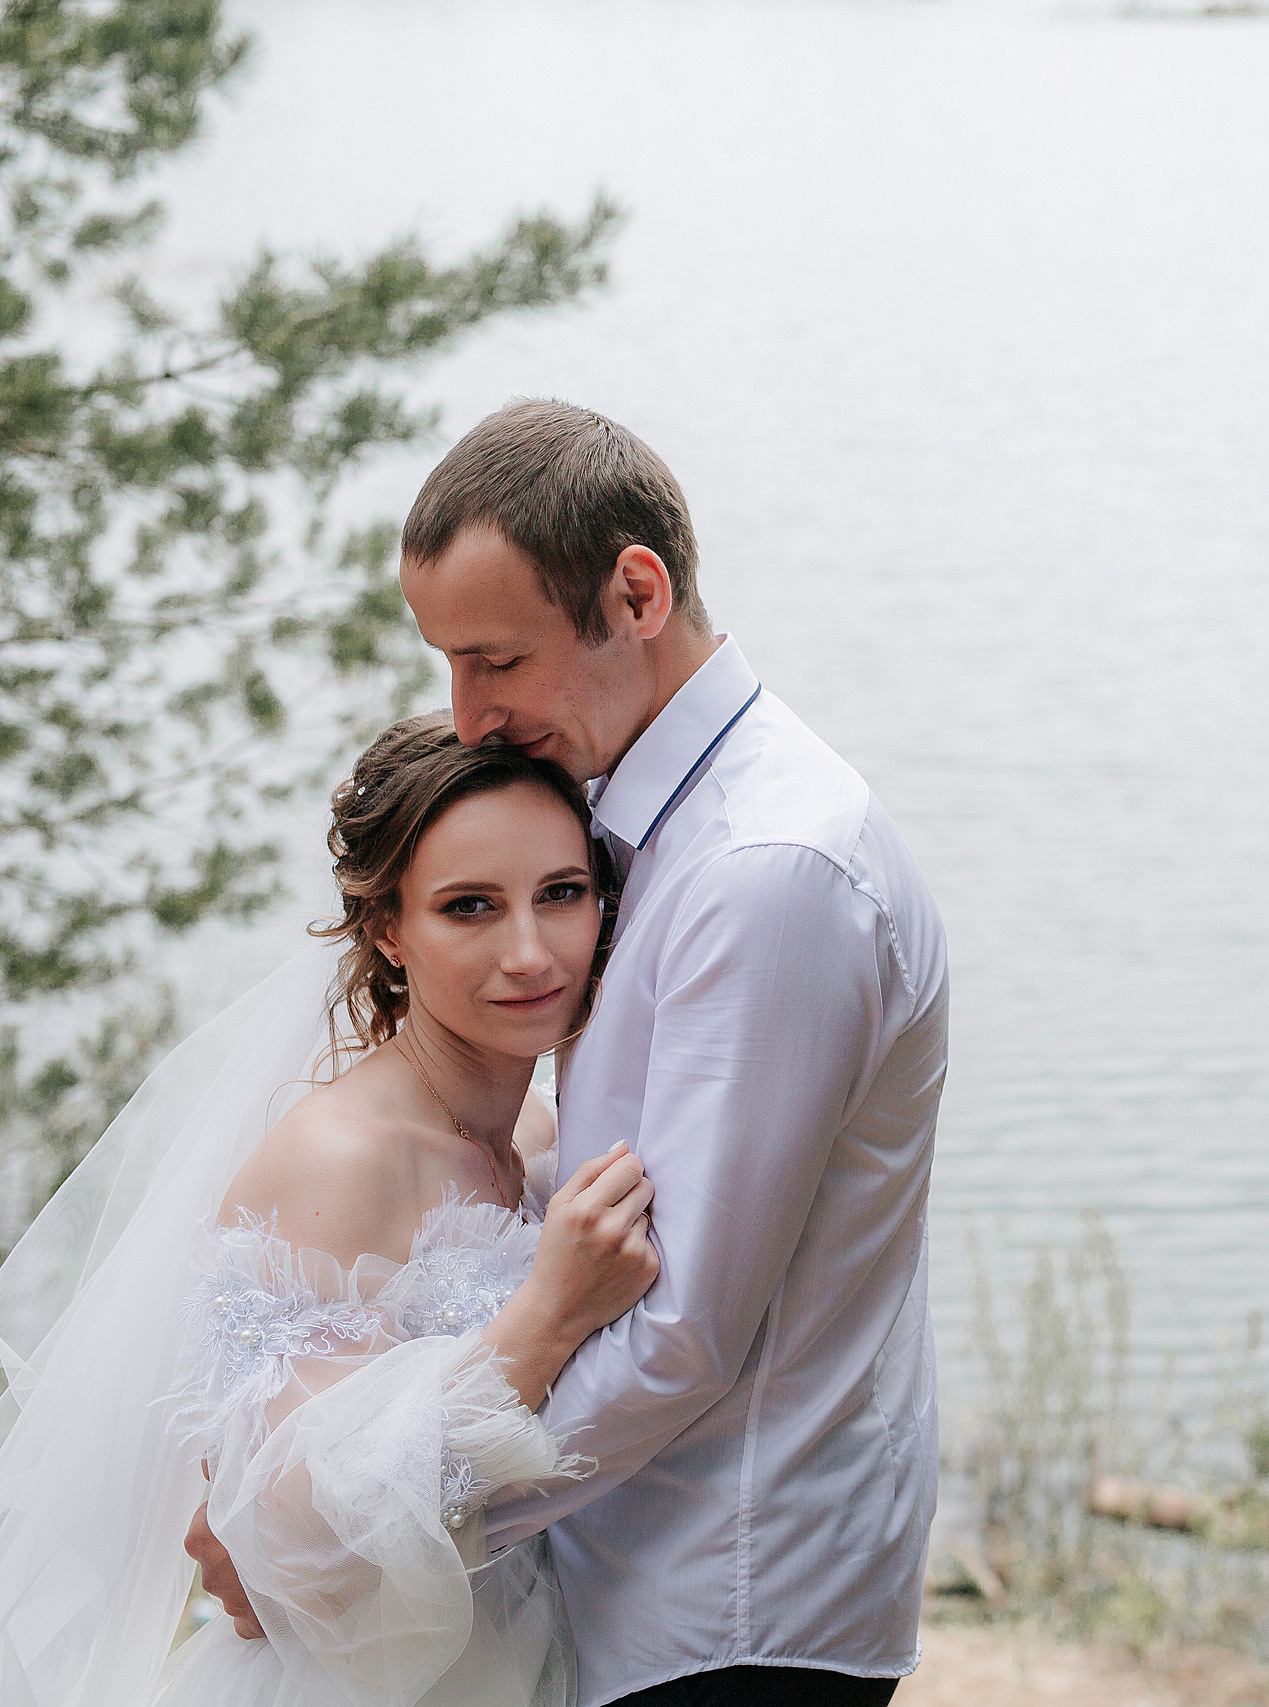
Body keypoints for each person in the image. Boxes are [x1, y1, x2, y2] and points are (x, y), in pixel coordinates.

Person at [195, 400, 950, 1707]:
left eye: (495, 657)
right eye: (447, 663)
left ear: (637, 592)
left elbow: (677, 1335)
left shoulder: (763, 870)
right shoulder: (635, 816)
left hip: (726, 1607)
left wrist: (338, 1544)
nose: (469, 712)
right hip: (620, 1592)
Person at [0, 719, 661, 1706]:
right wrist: (552, 1311)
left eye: (560, 894)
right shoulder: (341, 1155)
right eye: (469, 907)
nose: (530, 951)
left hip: (527, 1657)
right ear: (388, 928)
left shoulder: (530, 1132)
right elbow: (296, 1546)